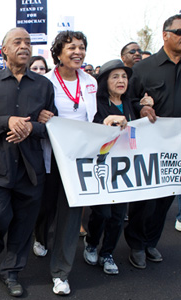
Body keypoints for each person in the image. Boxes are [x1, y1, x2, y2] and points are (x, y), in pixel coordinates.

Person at [0, 27, 55, 297]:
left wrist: (32, 129)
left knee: (24, 223)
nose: (24, 46)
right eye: (17, 42)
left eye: (28, 42)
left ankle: (12, 271)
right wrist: (6, 121)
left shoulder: (44, 85)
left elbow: (51, 126)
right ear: (4, 49)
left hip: (32, 169)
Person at [39, 30, 97, 295]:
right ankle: (40, 235)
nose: (78, 52)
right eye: (72, 47)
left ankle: (61, 272)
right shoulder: (44, 82)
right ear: (58, 53)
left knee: (71, 216)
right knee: (45, 209)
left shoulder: (91, 82)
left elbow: (99, 115)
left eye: (82, 47)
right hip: (50, 158)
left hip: (80, 160)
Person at [124, 14, 181, 269]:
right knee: (145, 199)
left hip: (177, 148)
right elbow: (128, 100)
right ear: (165, 35)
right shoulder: (144, 69)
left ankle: (151, 242)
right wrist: (141, 108)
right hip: (149, 145)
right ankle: (136, 244)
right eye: (179, 32)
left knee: (167, 197)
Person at [83, 59, 135, 275]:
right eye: (115, 76)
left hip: (124, 168)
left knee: (117, 215)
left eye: (124, 76)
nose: (121, 80)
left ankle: (108, 253)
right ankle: (92, 242)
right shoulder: (97, 104)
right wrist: (106, 123)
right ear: (105, 81)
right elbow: (90, 130)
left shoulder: (131, 103)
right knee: (103, 212)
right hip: (102, 167)